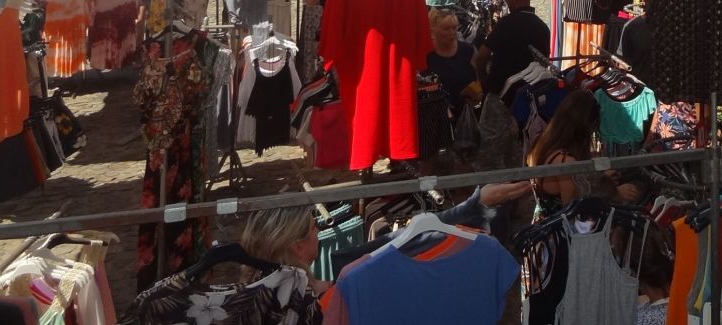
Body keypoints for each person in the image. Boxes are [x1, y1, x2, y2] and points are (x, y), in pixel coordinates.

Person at [241, 181, 536, 296]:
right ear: (298, 247)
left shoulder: (244, 299)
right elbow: (404, 242)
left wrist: (473, 205)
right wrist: (473, 206)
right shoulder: (332, 292)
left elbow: (404, 238)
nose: (319, 229)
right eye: (313, 227)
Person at [526, 88, 601, 214]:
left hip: (543, 223)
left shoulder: (541, 143)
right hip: (559, 230)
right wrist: (615, 193)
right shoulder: (565, 161)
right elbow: (571, 208)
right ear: (584, 128)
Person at [475, 0, 550, 100]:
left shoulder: (506, 24)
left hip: (502, 94)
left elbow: (481, 57)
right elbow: (544, 63)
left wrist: (484, 81)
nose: (506, 0)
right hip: (532, 94)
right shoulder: (543, 28)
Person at [426, 8, 481, 110]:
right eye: (446, 29)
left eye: (454, 28)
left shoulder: (468, 50)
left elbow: (478, 79)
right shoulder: (426, 54)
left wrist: (476, 94)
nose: (452, 32)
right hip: (437, 113)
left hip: (466, 111)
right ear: (433, 30)